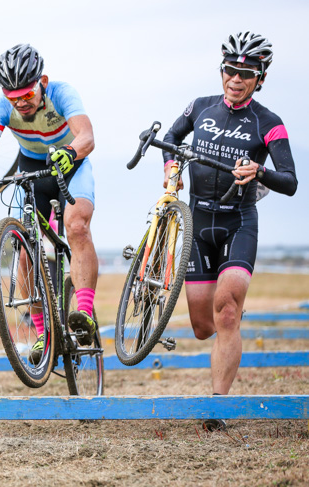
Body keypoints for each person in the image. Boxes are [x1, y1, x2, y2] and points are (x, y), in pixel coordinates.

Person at [161, 32, 297, 431]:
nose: (236, 79)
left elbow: (289, 180)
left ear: (260, 77)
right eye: (230, 71)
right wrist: (172, 168)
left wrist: (260, 171)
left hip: (239, 222)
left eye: (246, 73)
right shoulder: (200, 107)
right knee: (204, 326)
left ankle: (216, 408)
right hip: (197, 222)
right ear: (223, 71)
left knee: (227, 312)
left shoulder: (269, 123)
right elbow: (171, 138)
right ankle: (225, 320)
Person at [0, 44, 99, 361]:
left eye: (27, 95)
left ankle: (84, 314)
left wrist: (71, 152)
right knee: (24, 254)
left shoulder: (62, 93)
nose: (20, 103)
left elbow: (87, 137)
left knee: (77, 228)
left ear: (42, 82)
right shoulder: (1, 106)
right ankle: (41, 335)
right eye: (13, 97)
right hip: (34, 168)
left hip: (71, 163)